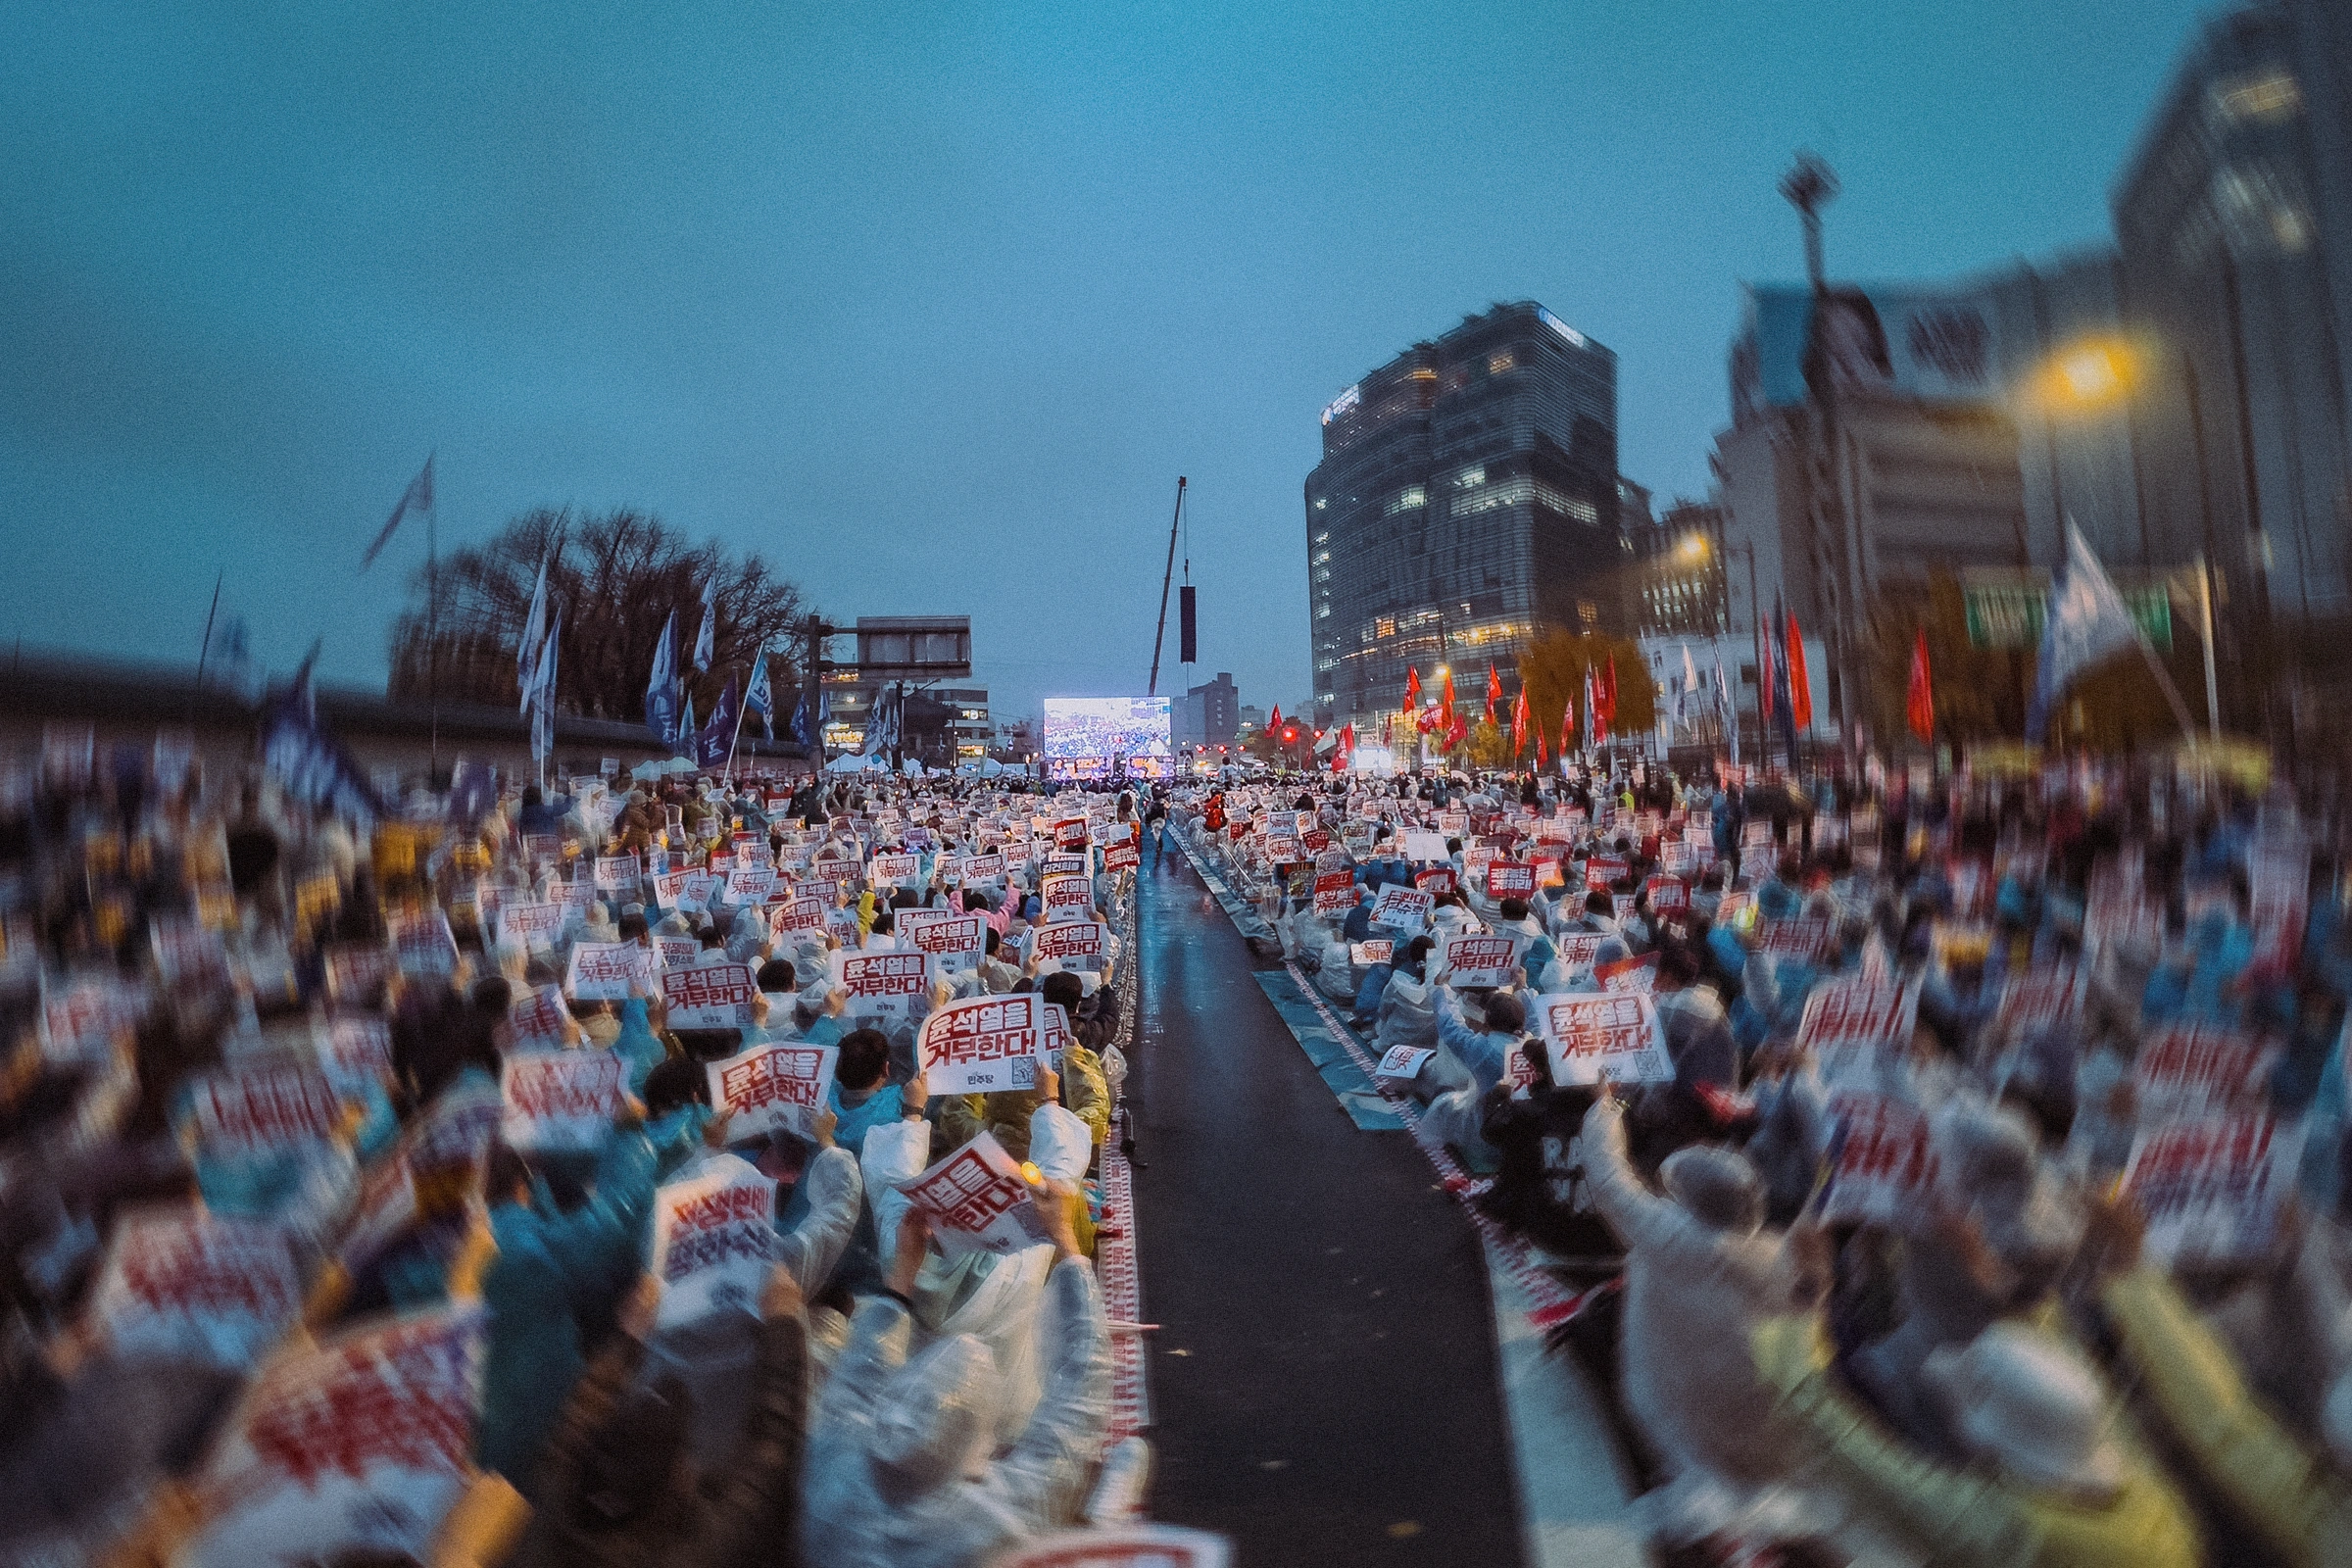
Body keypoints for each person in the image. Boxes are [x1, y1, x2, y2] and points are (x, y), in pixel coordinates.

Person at [802, 1191, 1110, 1568]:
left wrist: (904, 1270)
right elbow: (1082, 1399)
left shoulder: (834, 1453)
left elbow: (863, 1364)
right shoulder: (997, 1520)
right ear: (979, 1440)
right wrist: (1065, 1238)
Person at [1583, 1086, 1829, 1486]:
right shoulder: (1780, 1256)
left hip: (1673, 1414)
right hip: (1765, 1428)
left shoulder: (1667, 1237)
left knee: (1595, 1327)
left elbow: (1608, 1178)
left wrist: (1605, 1107)